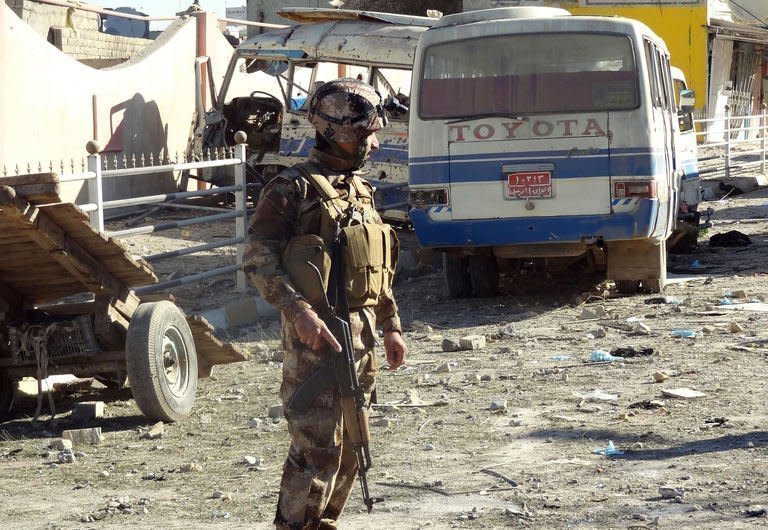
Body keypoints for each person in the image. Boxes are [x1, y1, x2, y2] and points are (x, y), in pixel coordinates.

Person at [244, 78, 408, 530]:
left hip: (363, 340)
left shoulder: (361, 191)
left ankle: (325, 522)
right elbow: (257, 258)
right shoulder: (290, 189)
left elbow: (376, 270)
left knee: (354, 444)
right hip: (316, 343)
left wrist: (391, 324)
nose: (373, 143)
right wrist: (299, 312)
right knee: (316, 449)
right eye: (366, 134)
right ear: (338, 132)